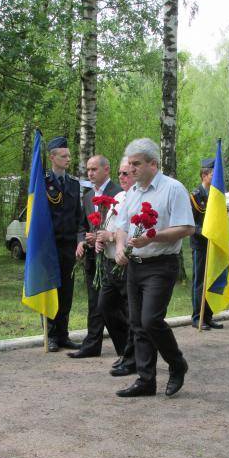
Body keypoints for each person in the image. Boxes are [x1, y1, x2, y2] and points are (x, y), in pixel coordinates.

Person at [115, 138, 195, 397]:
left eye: (136, 164)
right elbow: (122, 227)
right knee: (137, 323)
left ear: (153, 164)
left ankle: (177, 363)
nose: (131, 169)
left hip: (161, 264)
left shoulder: (173, 188)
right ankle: (146, 380)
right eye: (130, 164)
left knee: (150, 320)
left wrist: (153, 237)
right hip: (135, 265)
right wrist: (120, 247)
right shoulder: (132, 193)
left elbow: (187, 228)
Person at [70, 155, 122, 359]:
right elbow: (82, 226)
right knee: (94, 302)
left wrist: (104, 237)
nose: (90, 173)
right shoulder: (88, 195)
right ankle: (92, 344)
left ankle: (127, 347)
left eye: (94, 169)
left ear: (106, 169)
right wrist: (81, 241)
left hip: (112, 257)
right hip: (92, 258)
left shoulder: (118, 193)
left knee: (112, 304)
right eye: (88, 169)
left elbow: (123, 225)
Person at [95, 158, 136, 376]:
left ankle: (134, 357)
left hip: (128, 263)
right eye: (120, 173)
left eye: (126, 173)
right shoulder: (119, 197)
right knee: (105, 306)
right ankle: (124, 352)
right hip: (110, 263)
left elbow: (133, 233)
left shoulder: (139, 199)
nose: (121, 177)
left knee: (132, 313)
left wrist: (110, 236)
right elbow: (111, 226)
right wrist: (100, 239)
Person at [44, 136, 82, 352]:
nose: (68, 159)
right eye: (63, 156)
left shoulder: (74, 184)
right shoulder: (42, 183)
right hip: (50, 246)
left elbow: (78, 216)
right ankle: (50, 335)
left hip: (68, 245)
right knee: (51, 290)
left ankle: (63, 334)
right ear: (52, 157)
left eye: (69, 155)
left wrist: (79, 241)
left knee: (66, 291)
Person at [189, 158, 223, 330]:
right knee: (200, 281)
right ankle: (197, 316)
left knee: (211, 280)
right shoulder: (195, 195)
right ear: (204, 175)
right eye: (213, 175)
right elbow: (190, 224)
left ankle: (208, 316)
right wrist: (206, 232)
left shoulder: (216, 194)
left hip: (214, 244)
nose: (216, 178)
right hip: (200, 245)